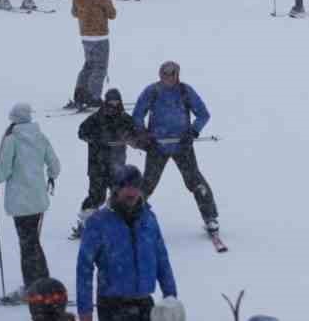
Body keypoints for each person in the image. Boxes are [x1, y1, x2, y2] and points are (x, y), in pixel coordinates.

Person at [75, 165, 179, 321]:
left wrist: (170, 295)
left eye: (136, 187)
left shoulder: (149, 219)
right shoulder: (98, 222)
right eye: (126, 187)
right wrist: (85, 311)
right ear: (116, 189)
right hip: (112, 305)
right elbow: (84, 268)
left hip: (144, 302)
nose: (132, 192)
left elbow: (161, 258)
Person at [130, 63, 220, 234]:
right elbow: (137, 115)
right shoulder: (152, 91)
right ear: (160, 74)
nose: (168, 77)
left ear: (177, 75)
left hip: (182, 146)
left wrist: (193, 132)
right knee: (147, 184)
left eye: (172, 74)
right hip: (157, 146)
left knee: (195, 181)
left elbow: (203, 114)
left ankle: (210, 218)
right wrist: (143, 135)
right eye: (165, 74)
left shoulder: (186, 91)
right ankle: (131, 215)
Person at [0, 103, 61, 300]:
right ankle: (43, 283)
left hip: (20, 203)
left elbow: (4, 172)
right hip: (37, 200)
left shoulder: (12, 139)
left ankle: (33, 287)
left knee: (28, 245)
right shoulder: (40, 137)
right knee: (33, 243)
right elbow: (55, 164)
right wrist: (51, 176)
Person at [73, 90, 136, 238]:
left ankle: (122, 225)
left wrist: (130, 139)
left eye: (116, 102)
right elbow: (82, 132)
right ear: (105, 102)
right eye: (110, 102)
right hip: (97, 165)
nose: (113, 105)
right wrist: (97, 139)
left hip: (118, 166)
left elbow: (135, 134)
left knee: (119, 196)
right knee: (96, 196)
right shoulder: (96, 118)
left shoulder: (125, 119)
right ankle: (85, 223)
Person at [71, 0, 115, 109]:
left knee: (88, 65)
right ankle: (93, 97)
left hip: (85, 35)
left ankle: (80, 92)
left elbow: (74, 12)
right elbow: (112, 14)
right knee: (100, 67)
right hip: (100, 35)